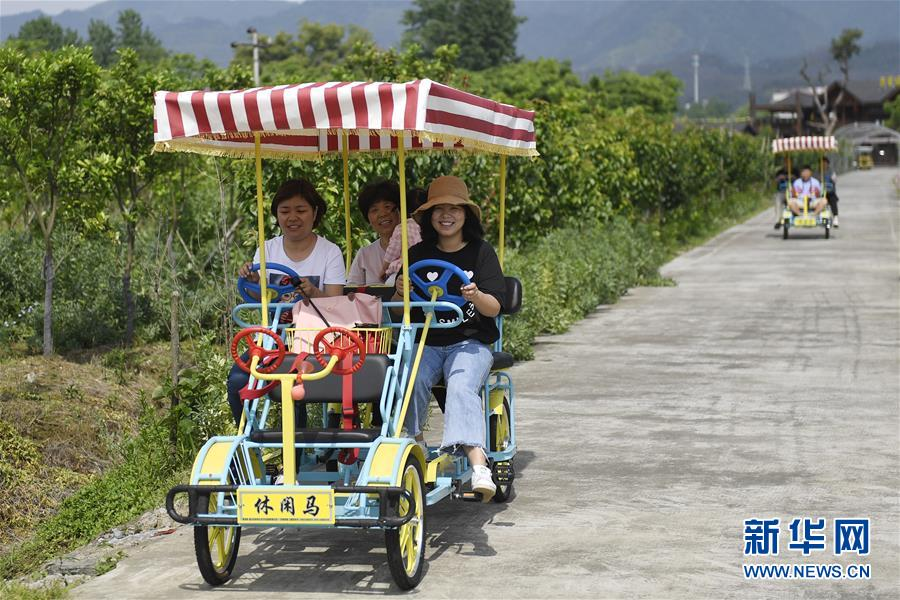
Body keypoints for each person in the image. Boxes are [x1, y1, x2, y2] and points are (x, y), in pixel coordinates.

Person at [393, 175, 505, 501]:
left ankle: (478, 466)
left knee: (460, 385)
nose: (446, 215)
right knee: (406, 376)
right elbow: (401, 308)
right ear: (429, 216)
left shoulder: (482, 254)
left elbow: (495, 306)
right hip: (426, 340)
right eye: (438, 209)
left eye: (454, 209)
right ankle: (414, 447)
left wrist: (476, 296)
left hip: (470, 342)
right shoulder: (416, 253)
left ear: (466, 214)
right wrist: (400, 291)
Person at [227, 178, 346, 426]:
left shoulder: (330, 251)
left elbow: (337, 303)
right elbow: (258, 298)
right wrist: (252, 279)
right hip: (274, 339)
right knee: (238, 380)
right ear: (276, 215)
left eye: (301, 210)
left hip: (317, 339)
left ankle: (294, 454)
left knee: (294, 380)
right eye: (285, 211)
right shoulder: (267, 250)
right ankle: (251, 444)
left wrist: (313, 292)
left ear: (315, 213)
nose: (293, 217)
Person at [347, 180, 401, 285]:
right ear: (368, 218)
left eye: (388, 207)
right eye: (374, 210)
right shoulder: (364, 255)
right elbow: (352, 291)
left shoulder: (415, 247)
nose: (382, 214)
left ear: (400, 209)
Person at [381, 187, 426, 283]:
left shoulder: (402, 228)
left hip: (402, 272)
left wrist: (383, 270)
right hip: (425, 272)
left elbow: (392, 252)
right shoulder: (432, 227)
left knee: (389, 284)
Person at [823, 157, 839, 227]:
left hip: (829, 192)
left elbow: (835, 180)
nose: (823, 165)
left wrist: (831, 179)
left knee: (833, 199)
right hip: (820, 193)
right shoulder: (817, 172)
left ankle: (835, 217)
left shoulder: (831, 172)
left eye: (825, 163)